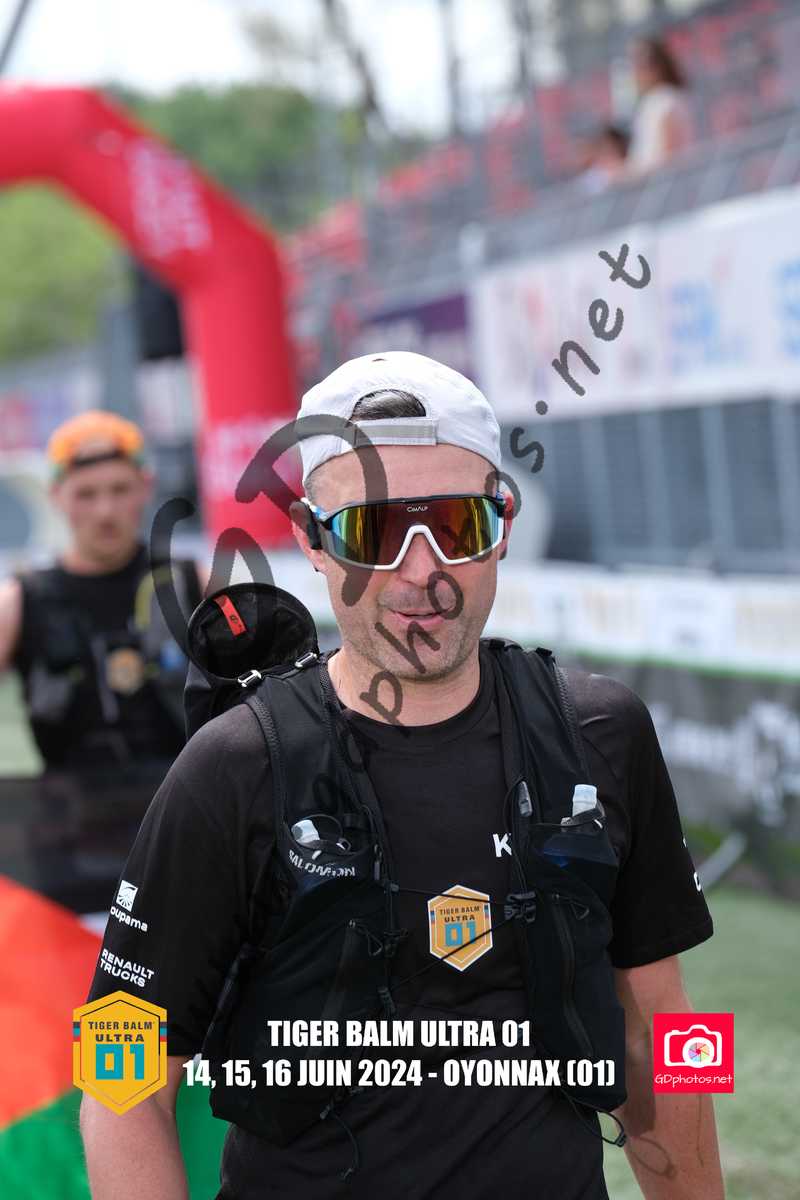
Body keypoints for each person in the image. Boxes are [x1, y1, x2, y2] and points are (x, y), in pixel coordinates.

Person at [80, 352, 724, 1199]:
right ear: (311, 540)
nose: (422, 573)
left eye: (455, 526)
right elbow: (118, 1077)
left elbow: (665, 1031)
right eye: (373, 534)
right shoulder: (233, 768)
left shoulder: (602, 733)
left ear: (504, 521)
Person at [0, 409, 203, 770]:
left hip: (186, 797)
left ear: (145, 487)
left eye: (119, 490)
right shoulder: (19, 601)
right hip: (67, 801)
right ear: (56, 496)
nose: (105, 511)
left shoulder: (193, 584)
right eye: (86, 494)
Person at [626, 36, 693, 176]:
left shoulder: (666, 101)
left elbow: (668, 159)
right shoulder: (652, 102)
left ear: (657, 67)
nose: (635, 73)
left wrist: (629, 175)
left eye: (640, 66)